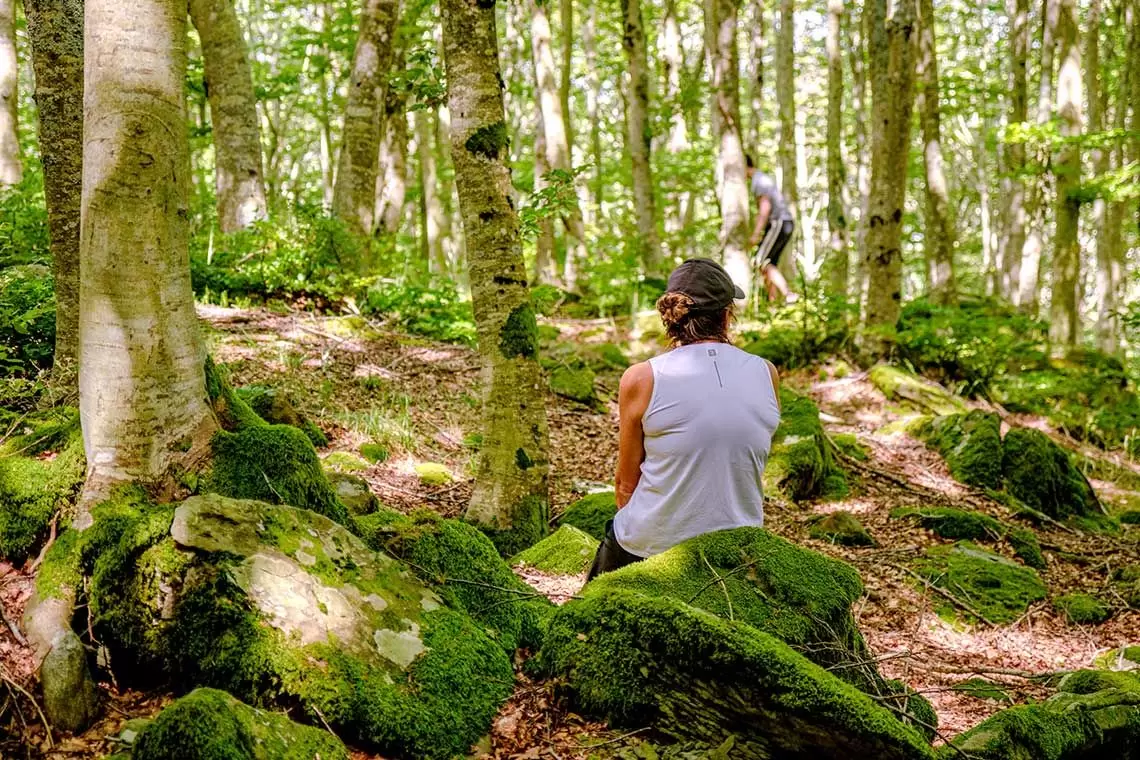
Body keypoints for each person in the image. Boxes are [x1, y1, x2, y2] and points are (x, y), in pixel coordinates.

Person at [586, 258, 783, 581]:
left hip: (650, 543)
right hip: (737, 546)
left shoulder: (641, 377)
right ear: (725, 315)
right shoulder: (766, 372)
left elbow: (625, 485)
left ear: (672, 318)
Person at [745, 154, 797, 303]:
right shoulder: (761, 178)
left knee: (761, 261)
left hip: (779, 222)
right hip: (782, 223)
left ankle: (788, 294)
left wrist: (755, 234)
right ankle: (772, 303)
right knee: (768, 264)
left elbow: (765, 208)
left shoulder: (759, 180)